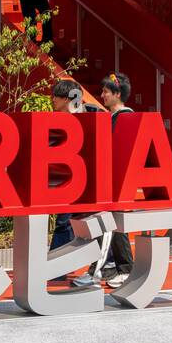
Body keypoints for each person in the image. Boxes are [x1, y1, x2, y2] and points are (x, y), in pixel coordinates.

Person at [49, 79, 104, 256]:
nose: (52, 100)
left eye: (55, 96)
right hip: (69, 179)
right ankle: (58, 267)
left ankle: (106, 264)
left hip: (92, 179)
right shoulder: (56, 121)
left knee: (94, 222)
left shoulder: (94, 114)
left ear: (67, 98)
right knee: (64, 221)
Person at [95, 73, 136, 285]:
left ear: (117, 94)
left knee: (117, 224)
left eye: (106, 92)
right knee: (106, 222)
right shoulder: (110, 117)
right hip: (108, 178)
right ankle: (109, 265)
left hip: (119, 179)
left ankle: (126, 268)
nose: (102, 95)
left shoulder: (126, 117)